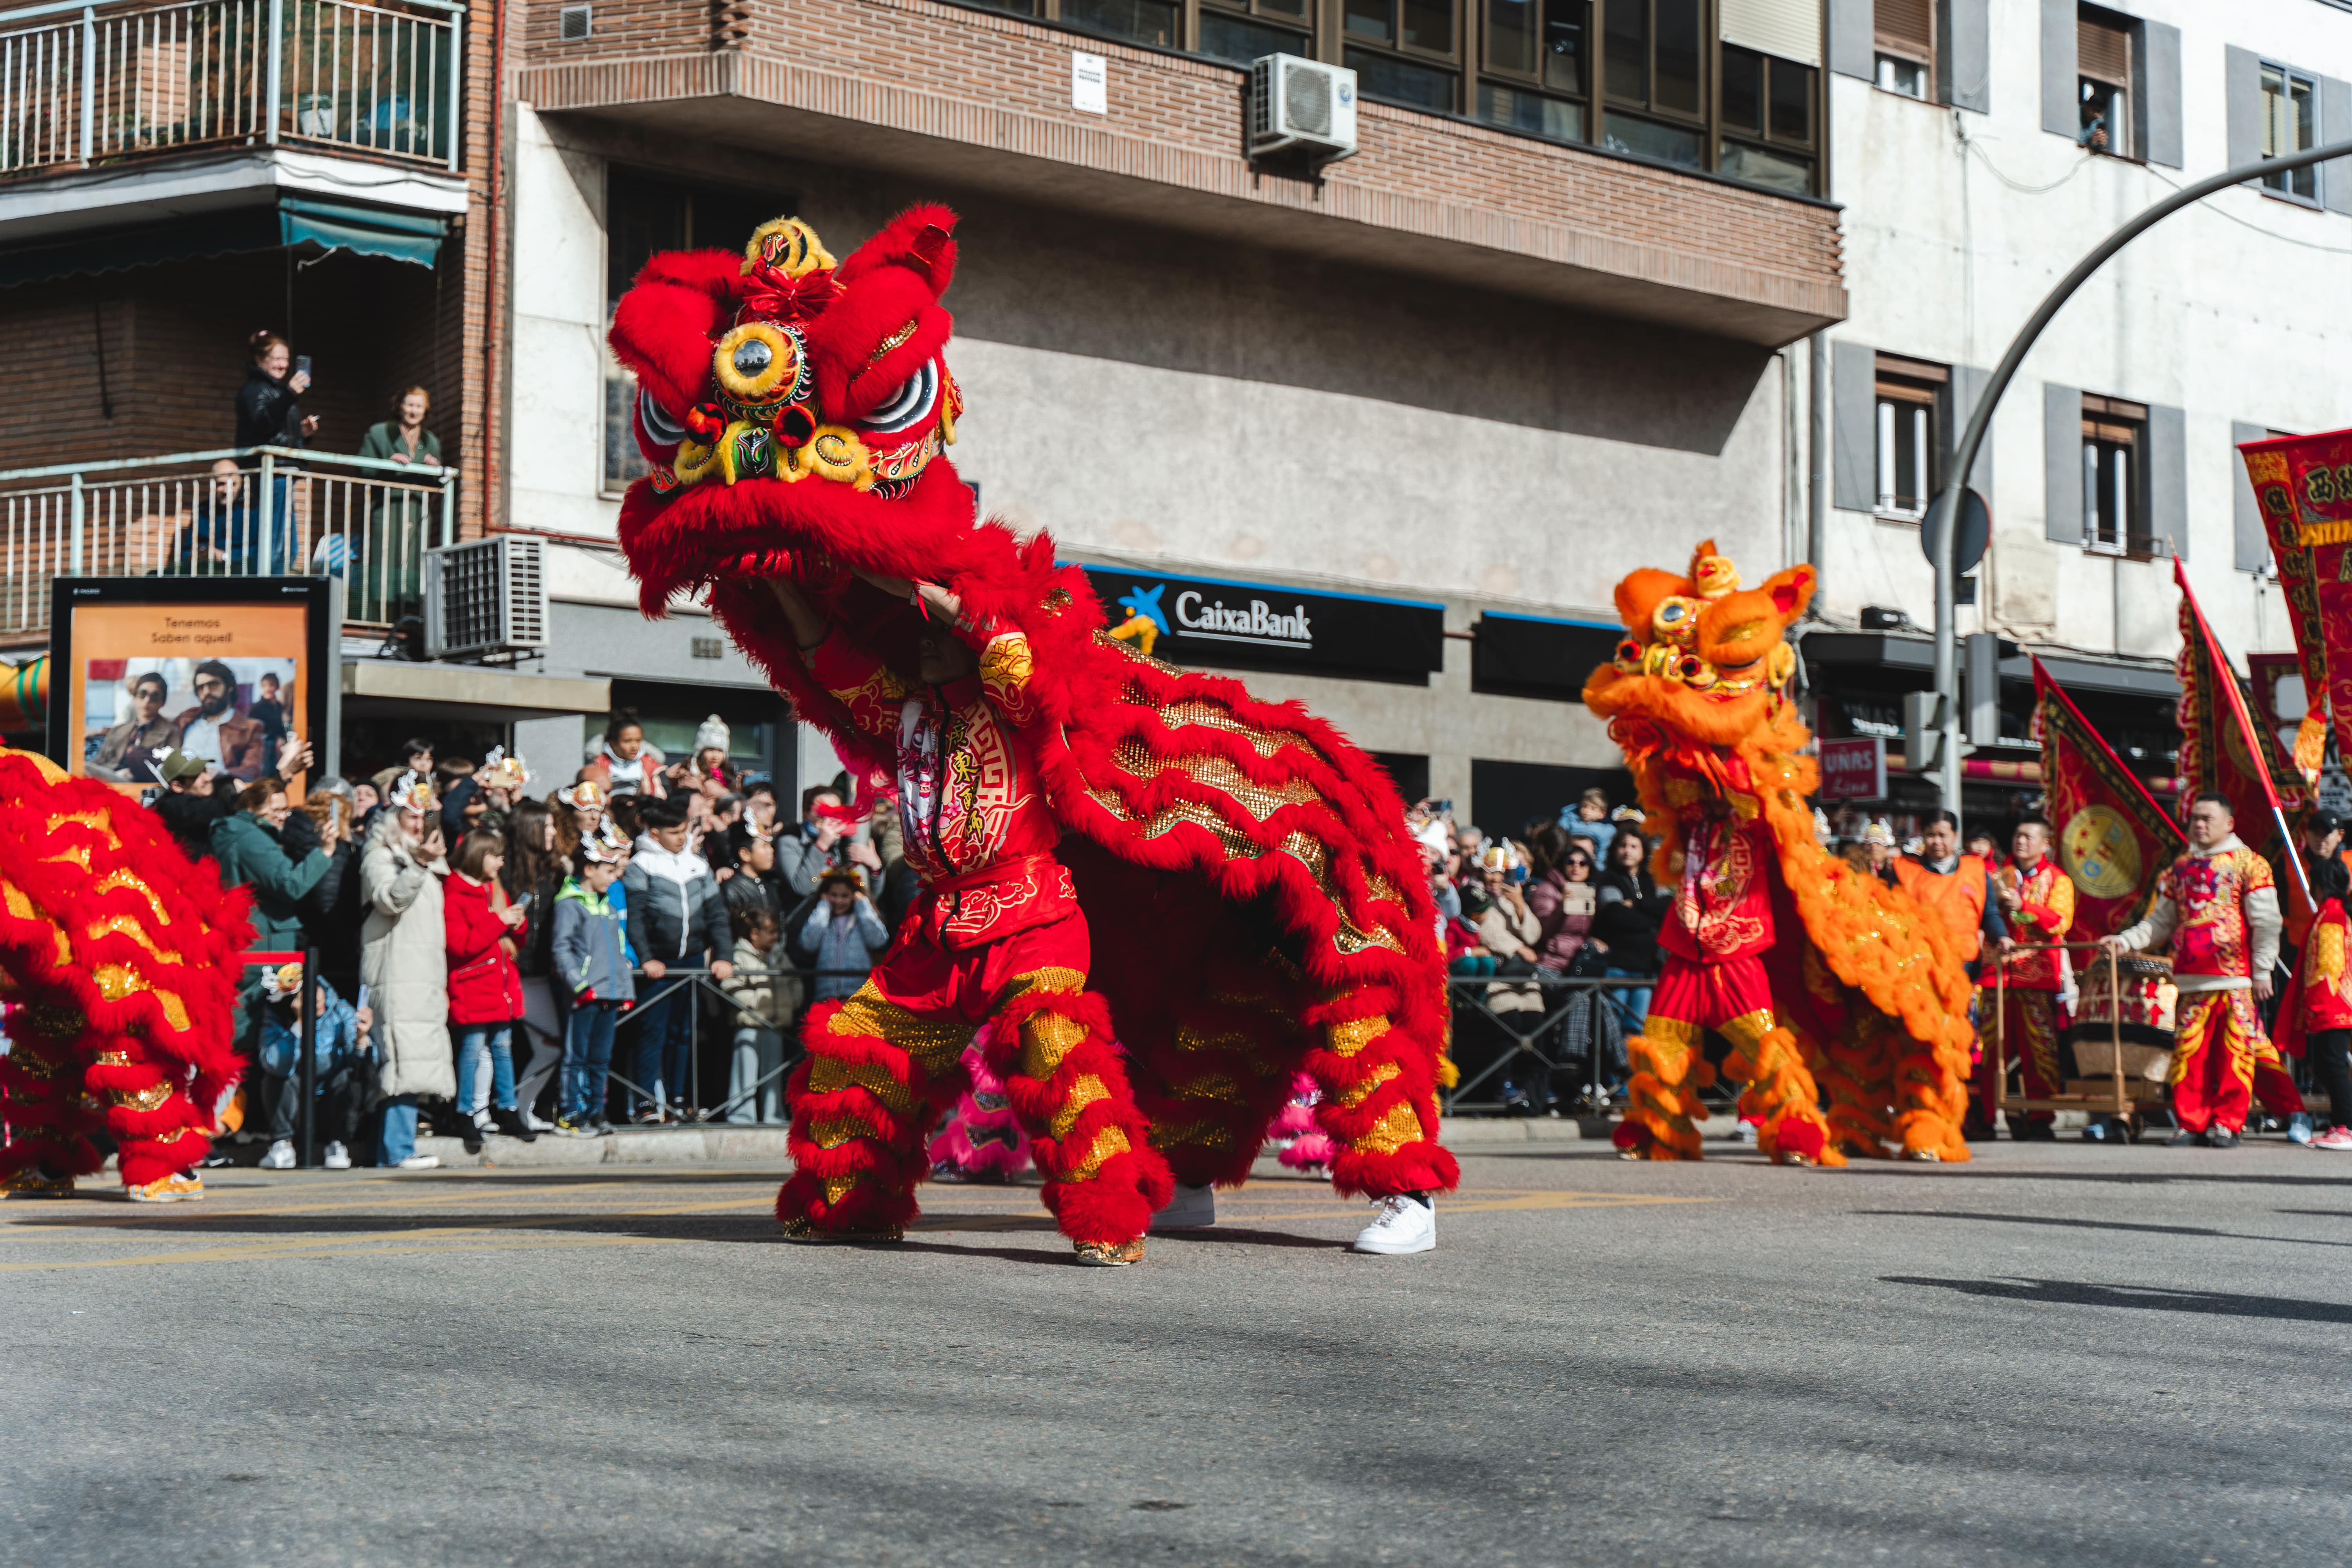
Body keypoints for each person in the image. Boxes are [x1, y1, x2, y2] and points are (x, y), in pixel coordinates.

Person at [2101, 792, 2283, 1149]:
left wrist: (2262, 970)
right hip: (2188, 980)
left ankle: (2228, 1124)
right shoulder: (2179, 868)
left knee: (2234, 1054)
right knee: (2189, 1056)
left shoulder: (2251, 863)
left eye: (2207, 819)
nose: (2199, 825)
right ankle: (2190, 1123)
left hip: (2233, 978)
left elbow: (2267, 922)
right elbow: (2160, 922)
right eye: (2195, 818)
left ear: (2229, 824)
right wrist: (2124, 941)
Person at [622, 793, 735, 1120]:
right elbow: (636, 919)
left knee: (684, 1034)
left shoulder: (698, 865)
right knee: (651, 1033)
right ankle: (645, 1104)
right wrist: (646, 958)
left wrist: (724, 955)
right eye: (674, 833)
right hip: (659, 965)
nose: (682, 838)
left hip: (692, 962)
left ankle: (679, 1101)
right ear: (655, 833)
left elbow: (717, 916)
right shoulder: (641, 865)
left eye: (684, 831)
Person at [361, 777, 452, 1169]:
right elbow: (389, 900)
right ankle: (397, 1149)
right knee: (400, 1057)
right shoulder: (379, 854)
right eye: (411, 816)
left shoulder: (424, 861)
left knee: (411, 1058)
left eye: (424, 817)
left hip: (422, 974)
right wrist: (419, 864)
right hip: (395, 972)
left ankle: (393, 1148)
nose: (419, 824)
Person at [1980, 816, 2074, 1142]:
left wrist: (2025, 906)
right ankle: (1984, 1116)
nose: (2021, 841)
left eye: (2029, 837)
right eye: (2018, 835)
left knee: (2040, 1049)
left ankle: (2040, 1116)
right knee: (1989, 1048)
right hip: (1996, 974)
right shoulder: (1995, 876)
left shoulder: (2058, 879)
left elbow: (2061, 921)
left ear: (2045, 844)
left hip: (2037, 974)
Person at [445, 828, 532, 1147]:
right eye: (495, 855)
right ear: (477, 855)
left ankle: (508, 1109)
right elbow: (459, 945)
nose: (501, 862)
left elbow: (513, 942)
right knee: (471, 1050)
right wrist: (500, 921)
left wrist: (517, 925)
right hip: (472, 986)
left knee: (503, 1048)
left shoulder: (495, 890)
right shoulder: (454, 894)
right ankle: (464, 1112)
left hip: (500, 985)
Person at [551, 824, 634, 1137]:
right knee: (576, 1057)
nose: (614, 877)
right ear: (589, 869)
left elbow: (618, 951)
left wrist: (625, 990)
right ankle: (570, 1112)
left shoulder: (608, 906)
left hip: (609, 994)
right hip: (585, 994)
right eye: (609, 871)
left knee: (601, 1058)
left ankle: (597, 1110)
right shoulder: (569, 904)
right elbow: (561, 949)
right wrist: (580, 985)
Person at [253, 961, 373, 1172]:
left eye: (315, 989)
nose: (315, 997)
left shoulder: (341, 1011)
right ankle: (283, 1145)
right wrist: (301, 1023)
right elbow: (275, 1064)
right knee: (274, 1078)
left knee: (348, 1076)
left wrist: (361, 1038)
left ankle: (338, 1145)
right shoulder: (276, 1017)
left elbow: (359, 1068)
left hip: (332, 1103)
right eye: (304, 995)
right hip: (296, 1105)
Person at [207, 773, 334, 950]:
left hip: (251, 936)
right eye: (276, 810)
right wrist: (325, 852)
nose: (282, 817)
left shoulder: (238, 832)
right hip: (264, 943)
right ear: (252, 807)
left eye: (285, 810)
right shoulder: (252, 838)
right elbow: (289, 886)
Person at [504, 796, 567, 1131]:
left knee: (550, 1047)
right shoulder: (503, 872)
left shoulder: (554, 871)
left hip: (539, 975)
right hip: (506, 972)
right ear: (529, 829)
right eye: (547, 826)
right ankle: (491, 1113)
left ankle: (522, 1110)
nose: (553, 832)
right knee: (497, 1047)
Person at [1886, 811, 2007, 979]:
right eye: (1931, 835)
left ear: (1955, 836)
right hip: (1920, 959)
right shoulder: (1904, 869)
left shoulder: (1976, 869)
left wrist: (2002, 937)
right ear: (1923, 836)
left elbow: (1990, 912)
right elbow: (1893, 916)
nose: (1937, 841)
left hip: (1965, 959)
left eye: (1943, 836)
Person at [2289, 857, 2352, 1151]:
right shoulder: (2334, 912)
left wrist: (2316, 1001)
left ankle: (2346, 1126)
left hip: (2334, 1002)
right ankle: (2339, 1124)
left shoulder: (2331, 916)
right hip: (2337, 1002)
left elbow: (2328, 966)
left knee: (2333, 1065)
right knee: (2328, 1065)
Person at [720, 906, 798, 1125]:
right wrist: (757, 1002)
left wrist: (790, 1001)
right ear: (755, 934)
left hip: (775, 1024)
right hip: (750, 1024)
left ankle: (773, 1115)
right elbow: (730, 985)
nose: (776, 937)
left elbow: (795, 980)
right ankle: (741, 1116)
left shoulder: (779, 955)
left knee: (774, 1073)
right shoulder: (739, 955)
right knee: (745, 1071)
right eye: (771, 932)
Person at [1593, 827, 1666, 1040]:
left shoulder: (1652, 880)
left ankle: (1631, 1065)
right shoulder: (1608, 878)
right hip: (1618, 966)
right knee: (1613, 1027)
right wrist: (1650, 919)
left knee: (1636, 1030)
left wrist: (1635, 904)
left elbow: (1667, 907)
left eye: (1634, 846)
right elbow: (1616, 914)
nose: (1628, 851)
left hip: (1647, 970)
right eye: (1623, 846)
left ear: (1643, 852)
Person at [801, 866, 891, 1003]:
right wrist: (823, 907)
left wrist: (863, 905)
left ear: (854, 896)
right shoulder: (822, 916)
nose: (839, 901)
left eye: (845, 896)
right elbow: (808, 944)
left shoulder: (861, 918)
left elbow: (878, 941)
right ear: (826, 895)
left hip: (858, 997)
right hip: (826, 997)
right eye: (834, 895)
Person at [172, 660, 268, 779]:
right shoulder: (185, 720)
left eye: (213, 685)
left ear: (230, 687)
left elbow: (252, 770)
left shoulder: (250, 729)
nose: (206, 692)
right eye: (201, 688)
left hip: (220, 787)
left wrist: (221, 774)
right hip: (182, 787)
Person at [87, 671, 179, 782]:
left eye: (154, 697)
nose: (147, 701)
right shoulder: (118, 730)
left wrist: (134, 772)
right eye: (142, 694)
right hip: (109, 779)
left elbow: (171, 770)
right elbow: (99, 762)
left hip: (139, 784)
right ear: (134, 697)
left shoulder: (172, 732)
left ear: (162, 702)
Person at [150, 749, 239, 861]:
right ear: (178, 787)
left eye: (205, 771)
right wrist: (250, 798)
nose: (208, 778)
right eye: (195, 776)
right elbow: (210, 809)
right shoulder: (171, 807)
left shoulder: (203, 795)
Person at [588, 715, 666, 798]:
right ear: (613, 744)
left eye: (638, 741)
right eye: (628, 741)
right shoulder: (600, 765)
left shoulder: (649, 764)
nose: (634, 747)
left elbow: (659, 797)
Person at [1557, 786, 1617, 860]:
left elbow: (1604, 852)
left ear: (1602, 814)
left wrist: (1598, 866)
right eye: (1584, 806)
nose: (1587, 811)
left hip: (1592, 861)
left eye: (1593, 808)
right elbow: (1559, 838)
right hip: (1569, 858)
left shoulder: (1607, 830)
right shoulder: (1568, 820)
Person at [371, 738, 435, 800]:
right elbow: (388, 800)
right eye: (418, 758)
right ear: (407, 761)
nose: (424, 764)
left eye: (429, 759)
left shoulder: (431, 781)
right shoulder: (396, 777)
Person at [247, 672, 290, 761]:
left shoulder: (279, 706)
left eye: (271, 685)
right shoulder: (257, 707)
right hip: (265, 746)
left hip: (279, 745)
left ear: (277, 687)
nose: (268, 689)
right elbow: (252, 730)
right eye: (265, 686)